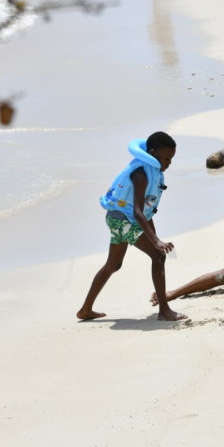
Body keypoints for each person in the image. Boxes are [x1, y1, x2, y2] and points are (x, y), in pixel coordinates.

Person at [77, 132, 186, 322]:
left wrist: (155, 238)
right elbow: (137, 212)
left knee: (113, 265)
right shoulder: (141, 174)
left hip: (119, 218)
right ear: (152, 152)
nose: (169, 163)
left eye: (171, 159)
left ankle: (85, 310)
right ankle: (164, 310)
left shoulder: (151, 172)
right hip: (123, 220)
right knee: (158, 255)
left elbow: (147, 211)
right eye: (167, 158)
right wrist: (155, 241)